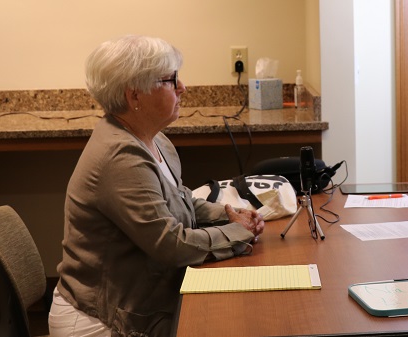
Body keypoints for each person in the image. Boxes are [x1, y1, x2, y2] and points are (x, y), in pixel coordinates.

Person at [48, 35, 265, 336]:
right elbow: (169, 243)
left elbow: (179, 200)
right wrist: (238, 232)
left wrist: (229, 214)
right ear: (134, 95)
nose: (182, 87)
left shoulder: (152, 138)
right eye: (170, 79)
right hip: (100, 320)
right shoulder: (121, 156)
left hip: (139, 300)